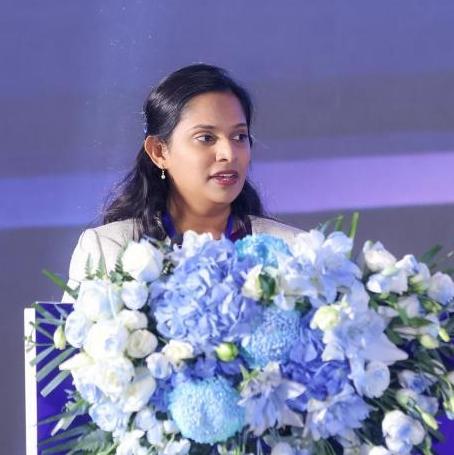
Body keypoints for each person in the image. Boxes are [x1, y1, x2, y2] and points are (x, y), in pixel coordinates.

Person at [62, 63, 302, 302]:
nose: (229, 154)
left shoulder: (293, 251)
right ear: (159, 151)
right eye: (206, 138)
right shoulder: (109, 248)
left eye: (239, 136)